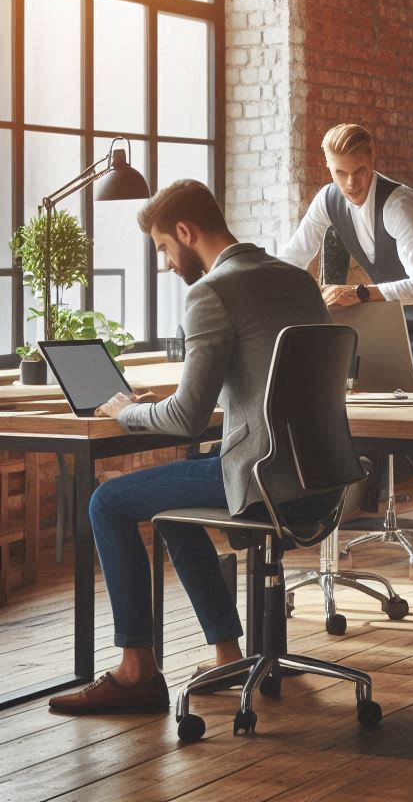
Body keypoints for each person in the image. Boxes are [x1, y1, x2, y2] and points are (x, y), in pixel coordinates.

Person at [49, 180, 332, 715]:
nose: (164, 263)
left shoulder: (212, 292)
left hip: (262, 480)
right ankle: (227, 654)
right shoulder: (297, 280)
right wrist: (175, 397)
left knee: (106, 502)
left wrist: (124, 411)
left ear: (185, 232)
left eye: (161, 248)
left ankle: (136, 671)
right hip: (319, 479)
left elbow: (185, 420)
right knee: (173, 511)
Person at [279, 123, 413, 575]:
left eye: (361, 171)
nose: (352, 184)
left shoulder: (400, 203)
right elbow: (291, 259)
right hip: (385, 317)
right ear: (326, 168)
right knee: (343, 405)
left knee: (410, 423)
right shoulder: (328, 200)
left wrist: (361, 293)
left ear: (374, 160)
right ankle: (320, 518)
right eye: (340, 173)